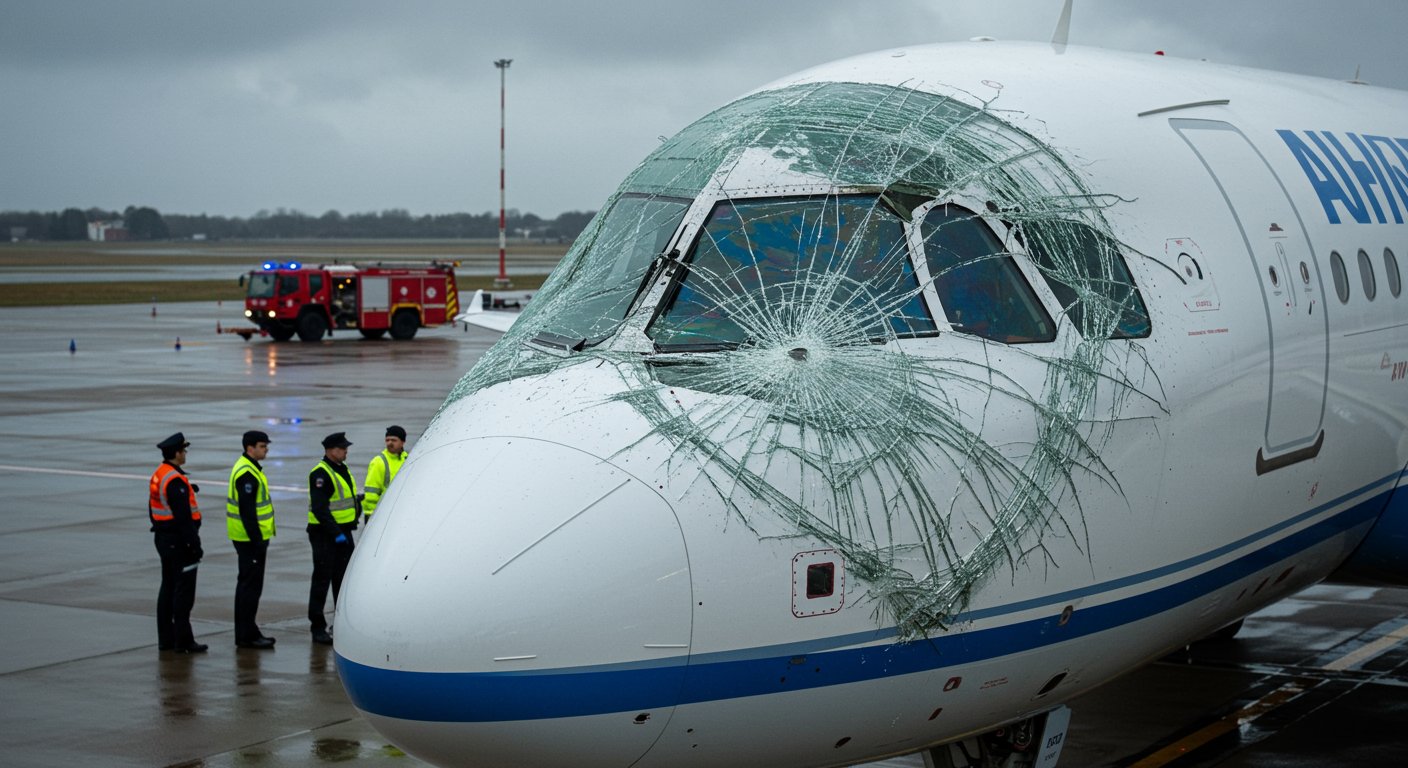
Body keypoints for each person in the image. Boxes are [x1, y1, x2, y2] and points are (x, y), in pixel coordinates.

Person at [149, 432, 206, 653]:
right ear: (176, 453)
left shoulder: (161, 473)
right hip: (179, 544)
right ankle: (184, 640)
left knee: (168, 588)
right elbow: (184, 519)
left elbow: (155, 507)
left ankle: (166, 639)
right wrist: (195, 546)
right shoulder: (174, 480)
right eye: (184, 451)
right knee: (183, 594)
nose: (186, 454)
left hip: (164, 539)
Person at [307, 431, 360, 645]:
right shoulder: (320, 474)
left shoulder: (340, 468)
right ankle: (317, 626)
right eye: (342, 448)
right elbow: (320, 509)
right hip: (325, 535)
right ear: (330, 450)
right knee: (322, 581)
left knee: (342, 580)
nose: (346, 451)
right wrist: (336, 533)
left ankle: (339, 623)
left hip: (342, 533)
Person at [227, 430, 277, 649]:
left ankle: (247, 630)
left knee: (248, 586)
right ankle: (247, 635)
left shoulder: (249, 468)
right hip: (249, 540)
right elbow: (247, 511)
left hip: (248, 539)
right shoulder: (247, 473)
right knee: (250, 588)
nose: (266, 449)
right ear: (250, 448)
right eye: (262, 446)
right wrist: (257, 540)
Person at [362, 425, 408, 520]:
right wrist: (373, 515)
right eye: (387, 440)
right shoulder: (378, 462)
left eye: (394, 440)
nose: (389, 443)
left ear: (403, 442)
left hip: (400, 512)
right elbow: (371, 493)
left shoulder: (408, 459)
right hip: (379, 516)